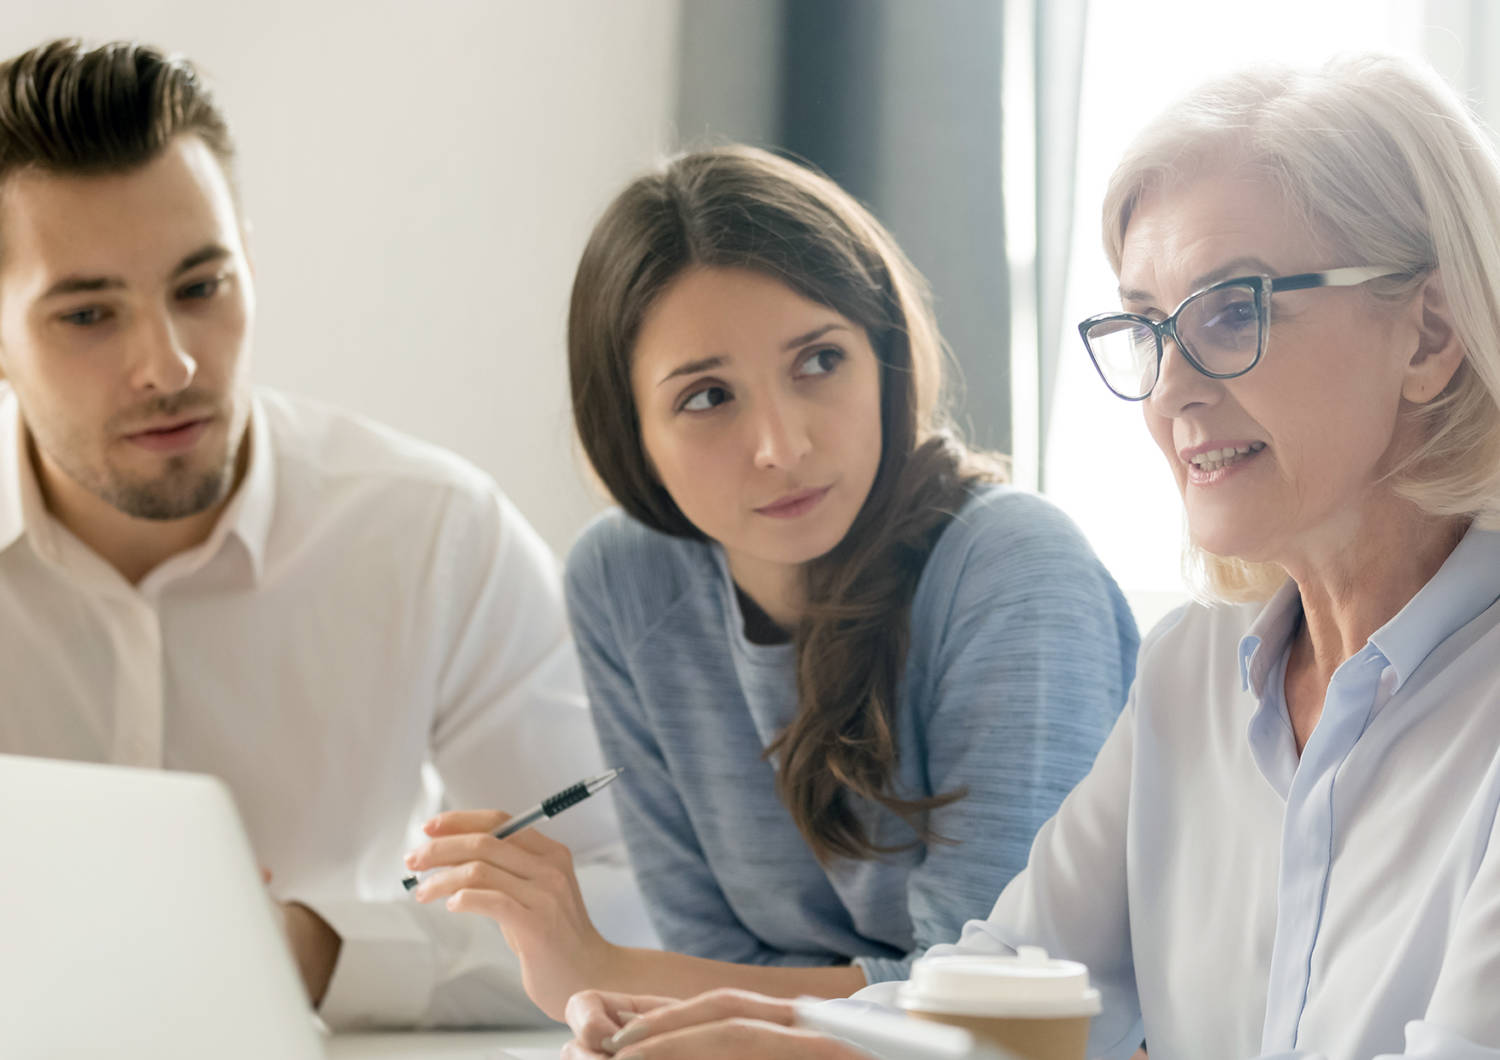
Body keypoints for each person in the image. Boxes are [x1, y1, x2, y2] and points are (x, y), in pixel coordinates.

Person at [551, 52, 1500, 1060]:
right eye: (1147, 324)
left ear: (1430, 332)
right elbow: (1013, 986)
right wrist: (751, 1034)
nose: (1171, 386)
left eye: (1235, 309)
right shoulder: (1192, 675)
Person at [0, 38, 653, 1030]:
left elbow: (628, 893)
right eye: (89, 313)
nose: (168, 364)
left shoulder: (433, 535)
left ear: (250, 264)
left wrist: (322, 946)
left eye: (201, 287)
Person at [404, 145, 1138, 1019]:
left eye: (820, 362)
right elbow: (709, 959)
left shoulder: (1014, 570)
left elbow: (1001, 1010)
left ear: (886, 358)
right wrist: (624, 991)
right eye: (708, 397)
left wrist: (598, 969)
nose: (780, 447)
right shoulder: (625, 582)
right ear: (630, 431)